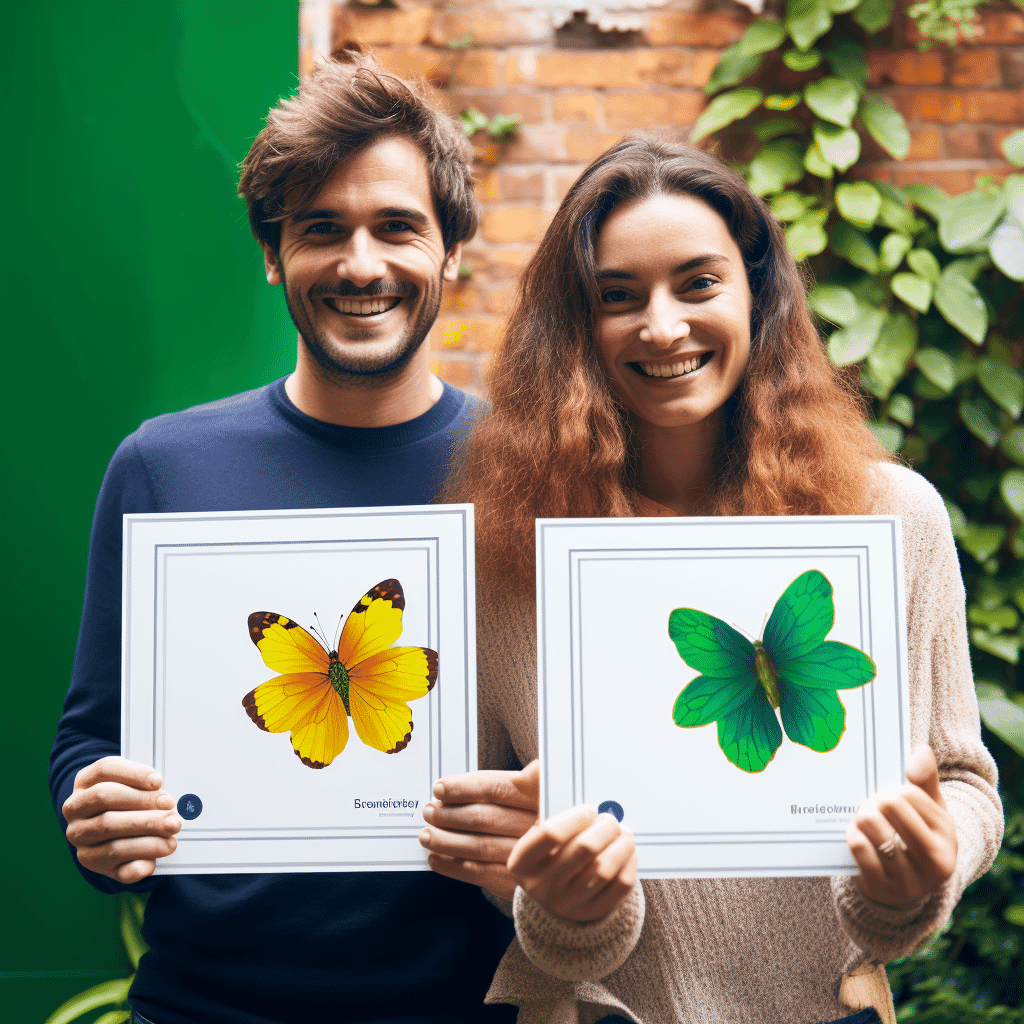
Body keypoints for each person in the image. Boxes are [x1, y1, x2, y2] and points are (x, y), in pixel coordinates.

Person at [419, 136, 1004, 1024]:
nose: (661, 326)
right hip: (588, 1008)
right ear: (575, 325)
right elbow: (493, 828)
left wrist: (932, 857)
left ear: (758, 294)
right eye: (618, 296)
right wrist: (549, 893)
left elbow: (963, 778)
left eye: (698, 283)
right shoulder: (508, 548)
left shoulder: (891, 518)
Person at [49, 48, 519, 1024]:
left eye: (397, 227)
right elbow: (92, 734)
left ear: (451, 252)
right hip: (204, 1003)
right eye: (320, 230)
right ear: (272, 255)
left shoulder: (528, 472)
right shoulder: (161, 467)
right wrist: (97, 815)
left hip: (463, 1005)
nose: (360, 263)